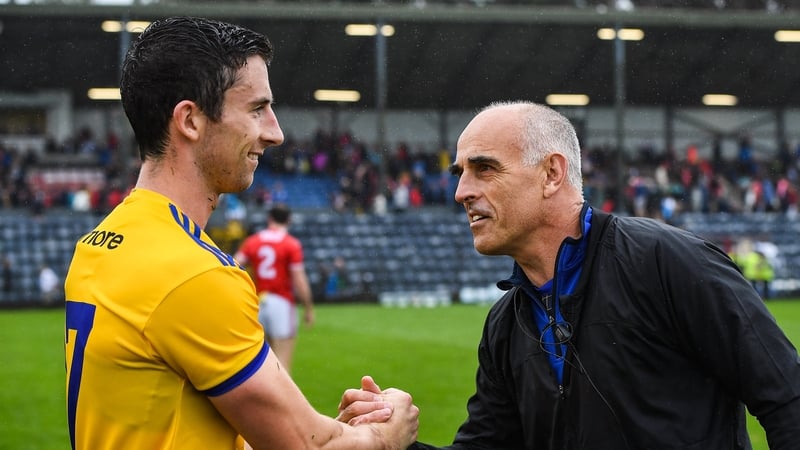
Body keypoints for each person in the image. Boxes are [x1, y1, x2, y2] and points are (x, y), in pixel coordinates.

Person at [344, 101, 800, 449]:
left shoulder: (668, 262)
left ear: (551, 174)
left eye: (485, 169)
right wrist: (393, 442)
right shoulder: (506, 324)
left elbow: (787, 398)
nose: (462, 191)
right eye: (461, 173)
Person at [64, 16, 418, 450]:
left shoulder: (101, 241)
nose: (275, 132)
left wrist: (326, 427)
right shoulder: (193, 274)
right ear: (190, 120)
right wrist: (384, 435)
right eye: (256, 108)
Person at [234, 203, 314, 373]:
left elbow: (234, 265)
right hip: (281, 302)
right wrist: (308, 307)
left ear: (269, 219)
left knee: (261, 365)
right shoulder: (291, 244)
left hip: (257, 303)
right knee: (283, 364)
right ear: (289, 220)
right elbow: (299, 279)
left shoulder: (253, 241)